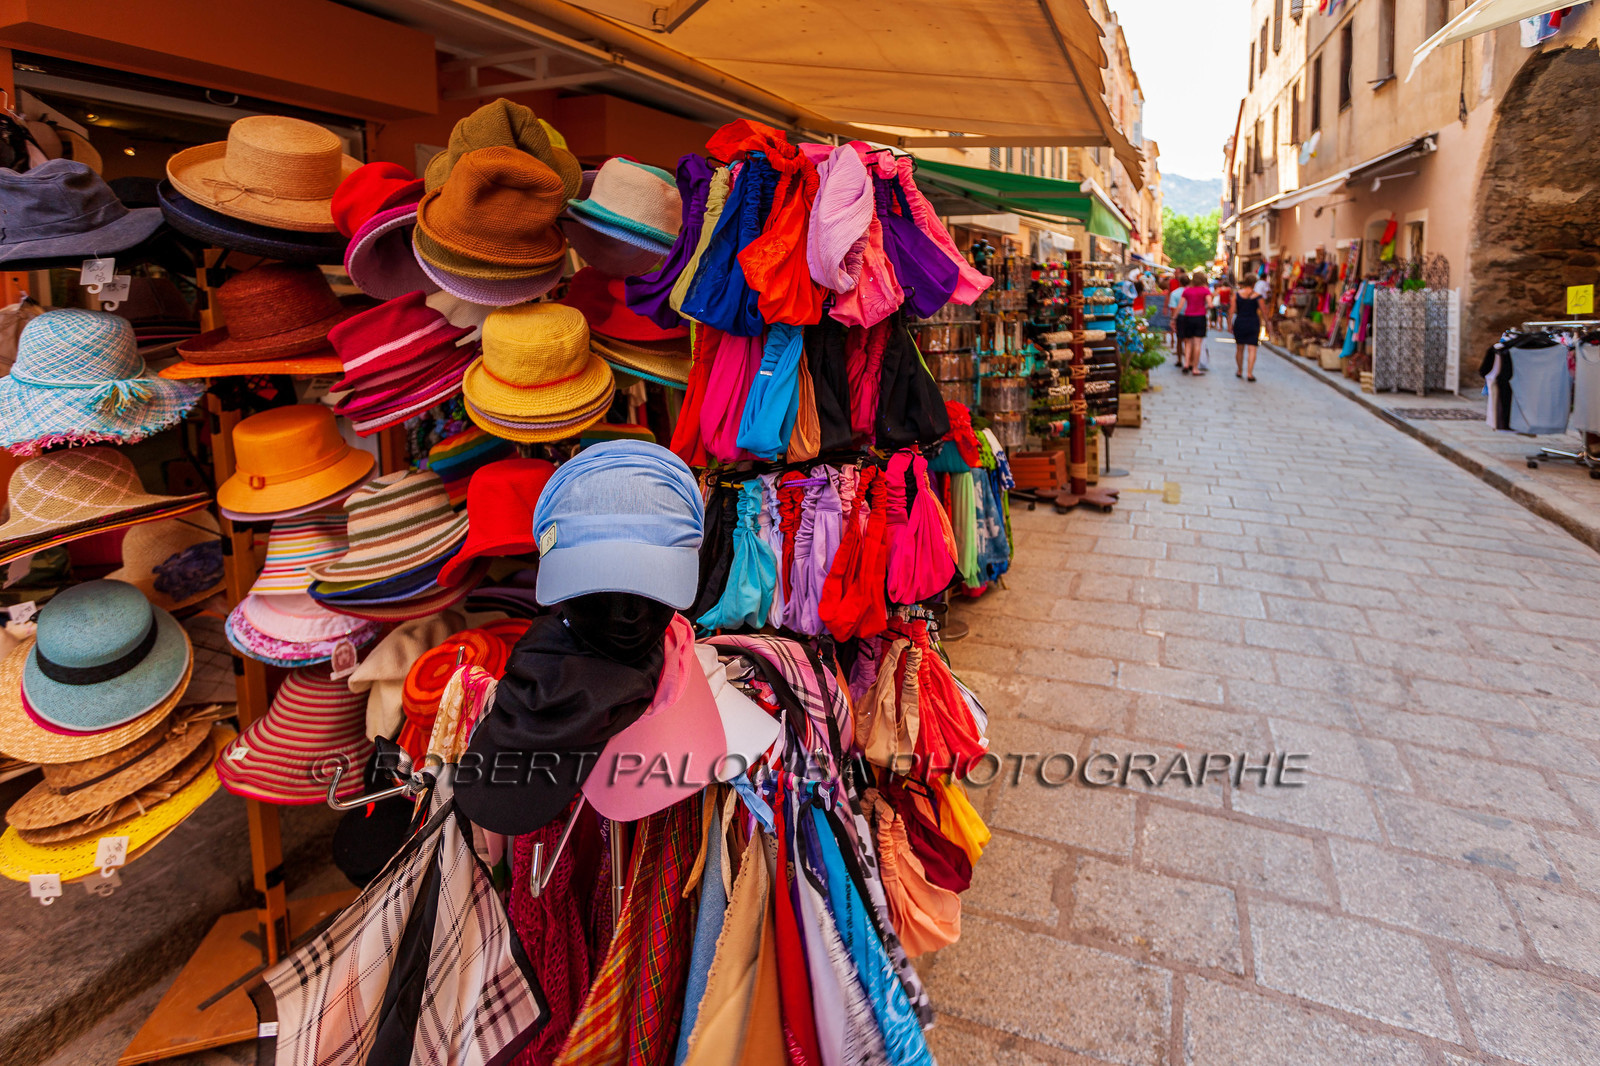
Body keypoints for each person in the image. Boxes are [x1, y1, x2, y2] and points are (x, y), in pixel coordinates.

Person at [1177, 269, 1210, 374]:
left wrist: (1173, 318)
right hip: (1200, 317)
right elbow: (1210, 304)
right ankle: (1195, 368)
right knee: (1197, 344)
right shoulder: (1205, 291)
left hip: (1188, 317)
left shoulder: (1187, 291)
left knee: (1188, 343)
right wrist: (1205, 309)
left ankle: (1186, 364)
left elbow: (1180, 306)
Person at [1233, 272, 1263, 381]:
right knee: (1252, 349)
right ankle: (1250, 373)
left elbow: (1232, 310)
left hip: (1240, 322)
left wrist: (1228, 325)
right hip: (1253, 323)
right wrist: (1268, 325)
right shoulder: (1258, 296)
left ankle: (1239, 370)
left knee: (1239, 348)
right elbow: (1264, 312)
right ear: (1254, 283)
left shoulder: (1237, 295)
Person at [1165, 271, 1187, 355]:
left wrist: (1173, 318)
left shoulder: (1175, 293)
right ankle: (1188, 359)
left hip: (1180, 316)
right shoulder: (1191, 291)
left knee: (1179, 338)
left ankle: (1179, 359)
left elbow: (1175, 307)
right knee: (1187, 339)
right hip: (1190, 316)